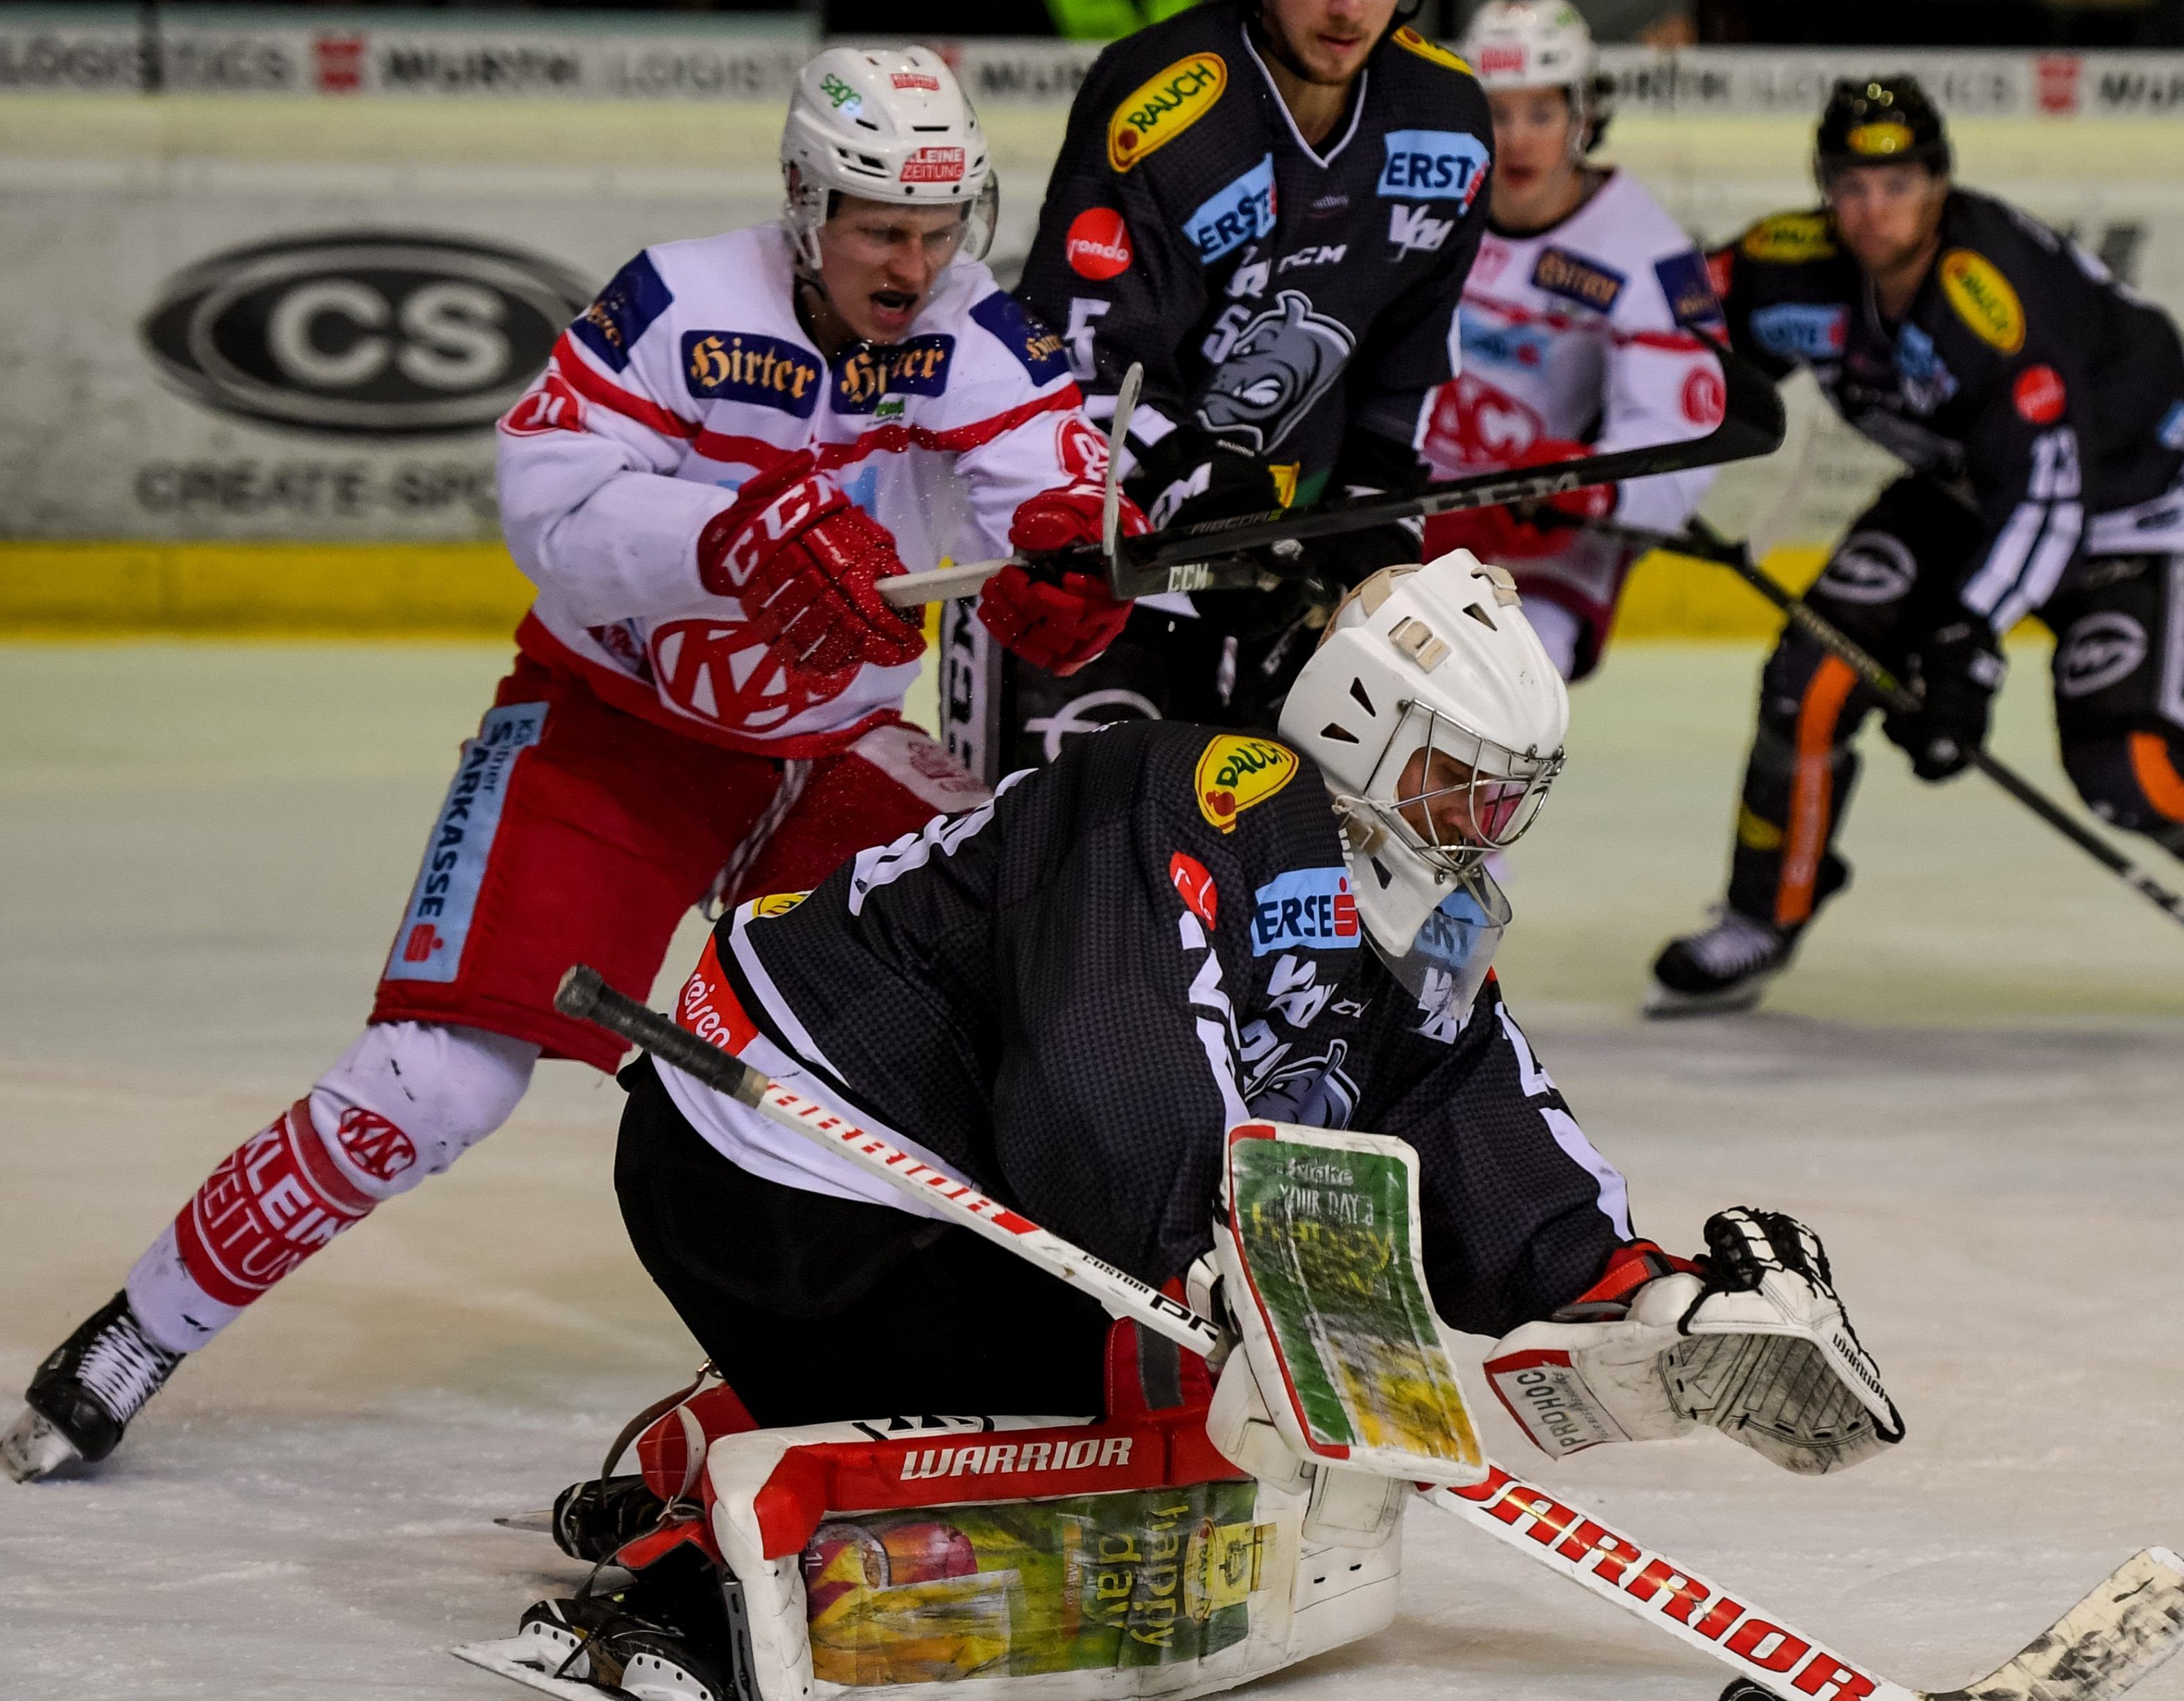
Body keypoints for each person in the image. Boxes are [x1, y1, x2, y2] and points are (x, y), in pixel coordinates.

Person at [472, 550, 1903, 1701]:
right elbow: (1106, 1035)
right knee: (1134, 1418)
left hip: (935, 1197)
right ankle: (684, 1584)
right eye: (1461, 783)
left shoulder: (1420, 906)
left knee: (1181, 1418)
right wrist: (1222, 1262)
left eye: (1507, 792)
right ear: (1360, 727)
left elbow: (1461, 1092)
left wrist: (1641, 1289)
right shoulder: (1187, 787)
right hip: (782, 1160)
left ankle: (708, 1440)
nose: (1486, 825)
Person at [3, 46, 1142, 1483]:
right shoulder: (673, 302)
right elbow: (546, 508)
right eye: (874, 229)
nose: (910, 266)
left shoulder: (985, 333)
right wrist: (720, 540)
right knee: (437, 1080)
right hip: (614, 730)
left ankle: (1021, 1359)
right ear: (800, 201)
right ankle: (145, 1327)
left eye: (933, 231)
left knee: (1021, 982)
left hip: (826, 752)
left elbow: (1041, 492)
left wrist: (1066, 575)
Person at [1647, 76, 2184, 1019]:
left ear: (1938, 183)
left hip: (2129, 505)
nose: (1872, 209)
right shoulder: (1788, 259)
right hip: (1965, 486)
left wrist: (1968, 643)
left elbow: (2052, 496)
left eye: (1896, 183)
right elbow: (1667, 324)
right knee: (1807, 682)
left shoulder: (1990, 300)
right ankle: (1764, 912)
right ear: (1823, 185)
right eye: (1851, 185)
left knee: (2126, 771)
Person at [950, 0, 1493, 779]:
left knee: (1263, 878)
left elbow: (1405, 358)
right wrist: (1199, 495)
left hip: (1282, 564)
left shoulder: (1444, 117)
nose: (1345, 9)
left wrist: (1377, 518)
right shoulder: (1166, 105)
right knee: (1050, 875)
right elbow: (1080, 363)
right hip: (1093, 565)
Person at [1418, 0, 1729, 683]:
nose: (1518, 140)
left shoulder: (1648, 253)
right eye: (1497, 113)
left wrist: (1592, 486)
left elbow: (1682, 438)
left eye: (1541, 113)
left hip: (1537, 559)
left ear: (1581, 115)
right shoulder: (1424, 204)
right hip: (1400, 524)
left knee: (1482, 724)